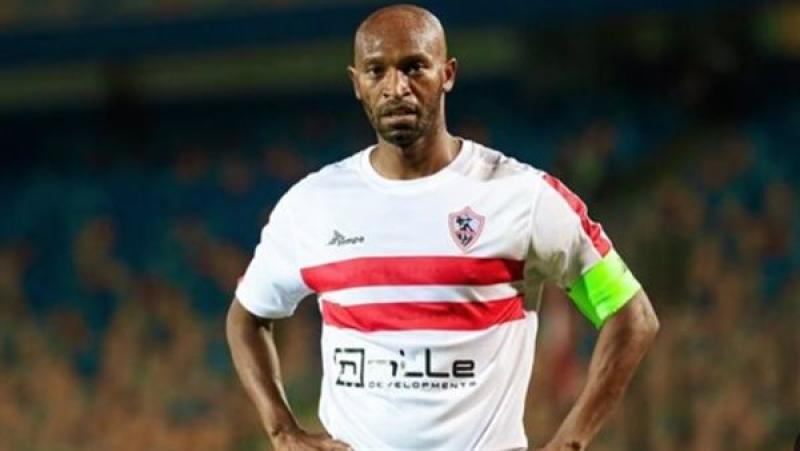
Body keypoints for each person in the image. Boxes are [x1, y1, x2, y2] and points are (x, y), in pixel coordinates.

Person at [226, 4, 660, 450]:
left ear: (447, 74)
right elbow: (247, 317)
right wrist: (282, 430)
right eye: (376, 71)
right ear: (357, 83)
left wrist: (569, 443)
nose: (396, 87)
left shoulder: (523, 197)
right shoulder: (312, 204)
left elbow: (632, 316)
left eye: (414, 67)